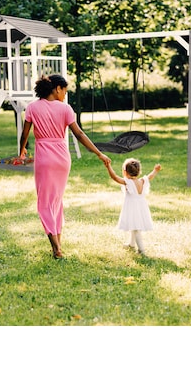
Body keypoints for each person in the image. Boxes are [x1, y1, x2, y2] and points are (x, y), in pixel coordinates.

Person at [19, 74, 111, 259]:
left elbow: (25, 134)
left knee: (45, 203)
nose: (64, 95)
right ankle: (58, 244)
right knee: (56, 202)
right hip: (62, 159)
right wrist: (99, 153)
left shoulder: (32, 107)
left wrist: (21, 151)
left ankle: (56, 248)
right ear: (57, 88)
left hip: (44, 159)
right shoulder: (65, 109)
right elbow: (79, 134)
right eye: (64, 91)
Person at [105, 157, 161, 255]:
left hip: (133, 209)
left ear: (125, 172)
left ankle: (142, 250)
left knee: (136, 229)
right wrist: (155, 170)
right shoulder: (142, 181)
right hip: (141, 208)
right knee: (133, 226)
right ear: (138, 172)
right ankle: (131, 244)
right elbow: (150, 176)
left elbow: (114, 177)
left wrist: (108, 166)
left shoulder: (127, 182)